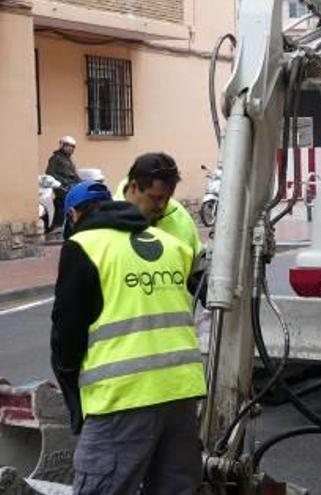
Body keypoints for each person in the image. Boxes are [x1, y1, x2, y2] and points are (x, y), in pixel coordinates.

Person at [50, 180, 205, 494]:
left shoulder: (83, 246)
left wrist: (71, 391)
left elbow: (67, 333)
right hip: (181, 393)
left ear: (74, 215)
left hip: (122, 398)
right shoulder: (170, 243)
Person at [114, 152, 203, 257]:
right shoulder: (105, 220)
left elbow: (197, 263)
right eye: (155, 198)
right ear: (134, 187)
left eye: (168, 198)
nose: (162, 205)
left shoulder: (181, 218)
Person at [45, 136, 81, 229]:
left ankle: (70, 226)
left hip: (71, 186)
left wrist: (82, 182)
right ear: (62, 145)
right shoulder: (55, 158)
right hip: (61, 187)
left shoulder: (68, 159)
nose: (71, 148)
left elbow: (74, 174)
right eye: (68, 145)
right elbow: (50, 173)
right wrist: (62, 183)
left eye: (73, 146)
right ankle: (56, 227)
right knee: (61, 204)